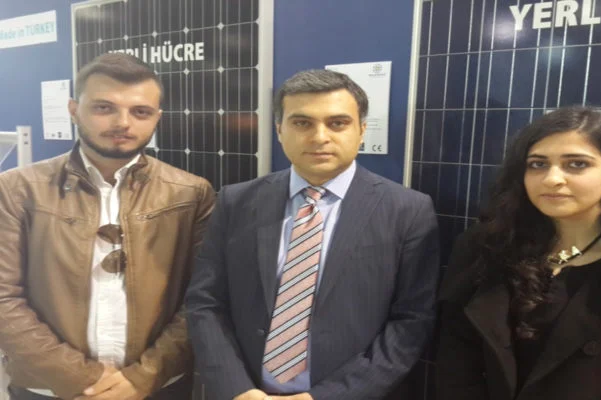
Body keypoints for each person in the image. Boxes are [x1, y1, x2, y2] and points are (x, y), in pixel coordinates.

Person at [185, 69, 440, 400]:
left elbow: (411, 322)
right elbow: (206, 302)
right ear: (279, 130)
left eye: (338, 123)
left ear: (362, 130)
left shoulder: (408, 210)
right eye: (302, 123)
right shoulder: (237, 201)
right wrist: (238, 389)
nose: (320, 137)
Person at [0, 53, 215, 400]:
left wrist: (144, 377)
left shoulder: (192, 193)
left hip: (158, 388)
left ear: (157, 117)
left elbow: (203, 298)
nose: (123, 122)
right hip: (49, 389)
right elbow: (3, 298)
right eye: (104, 108)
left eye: (140, 112)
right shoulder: (16, 189)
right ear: (74, 110)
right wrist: (81, 378)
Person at [436, 106, 601, 399]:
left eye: (576, 164)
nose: (552, 178)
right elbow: (456, 360)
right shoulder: (485, 245)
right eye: (537, 164)